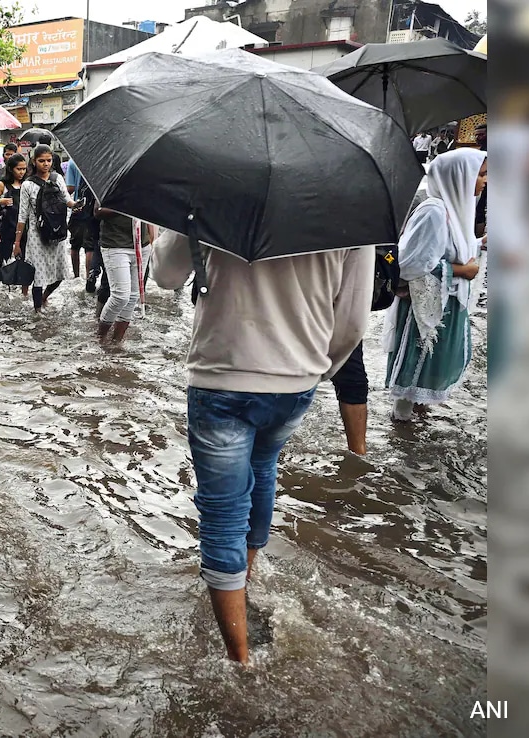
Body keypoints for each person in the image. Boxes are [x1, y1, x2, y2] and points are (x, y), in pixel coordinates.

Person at [147, 218, 373, 663]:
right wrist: (316, 369)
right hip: (296, 380)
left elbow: (166, 276)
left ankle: (240, 661)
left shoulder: (212, 185)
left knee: (223, 513)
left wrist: (176, 220)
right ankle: (241, 584)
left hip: (222, 374)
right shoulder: (351, 204)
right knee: (263, 470)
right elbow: (352, 319)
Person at [384, 148, 487, 421]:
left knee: (433, 367)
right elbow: (410, 265)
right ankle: (402, 425)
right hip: (426, 306)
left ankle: (418, 416)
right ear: (459, 176)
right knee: (416, 366)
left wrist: (478, 244)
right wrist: (461, 270)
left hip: (446, 303)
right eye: (481, 174)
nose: (484, 181)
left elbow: (443, 249)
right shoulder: (434, 211)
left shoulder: (456, 209)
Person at [14, 144, 74, 313]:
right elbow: (22, 216)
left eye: (48, 160)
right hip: (36, 235)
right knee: (38, 276)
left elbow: (66, 199)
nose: (45, 164)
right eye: (41, 161)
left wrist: (75, 205)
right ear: (34, 161)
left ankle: (45, 297)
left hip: (57, 232)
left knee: (61, 273)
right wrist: (17, 243)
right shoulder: (27, 185)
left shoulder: (57, 179)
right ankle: (37, 311)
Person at [95, 206, 141, 344]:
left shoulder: (149, 187)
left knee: (133, 297)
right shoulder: (113, 184)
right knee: (120, 296)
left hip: (141, 244)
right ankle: (100, 339)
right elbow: (97, 211)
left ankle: (117, 343)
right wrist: (127, 206)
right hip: (115, 244)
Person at [0, 153, 28, 296]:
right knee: (2, 260)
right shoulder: (2, 185)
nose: (22, 172)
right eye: (19, 169)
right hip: (5, 228)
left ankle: (24, 293)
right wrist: (0, 202)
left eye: (24, 169)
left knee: (25, 261)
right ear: (11, 169)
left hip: (23, 228)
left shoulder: (27, 184)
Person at [64, 158, 100, 284]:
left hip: (78, 208)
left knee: (75, 245)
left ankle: (76, 277)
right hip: (95, 208)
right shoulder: (100, 160)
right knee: (90, 247)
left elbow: (70, 188)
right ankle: (89, 278)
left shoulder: (73, 162)